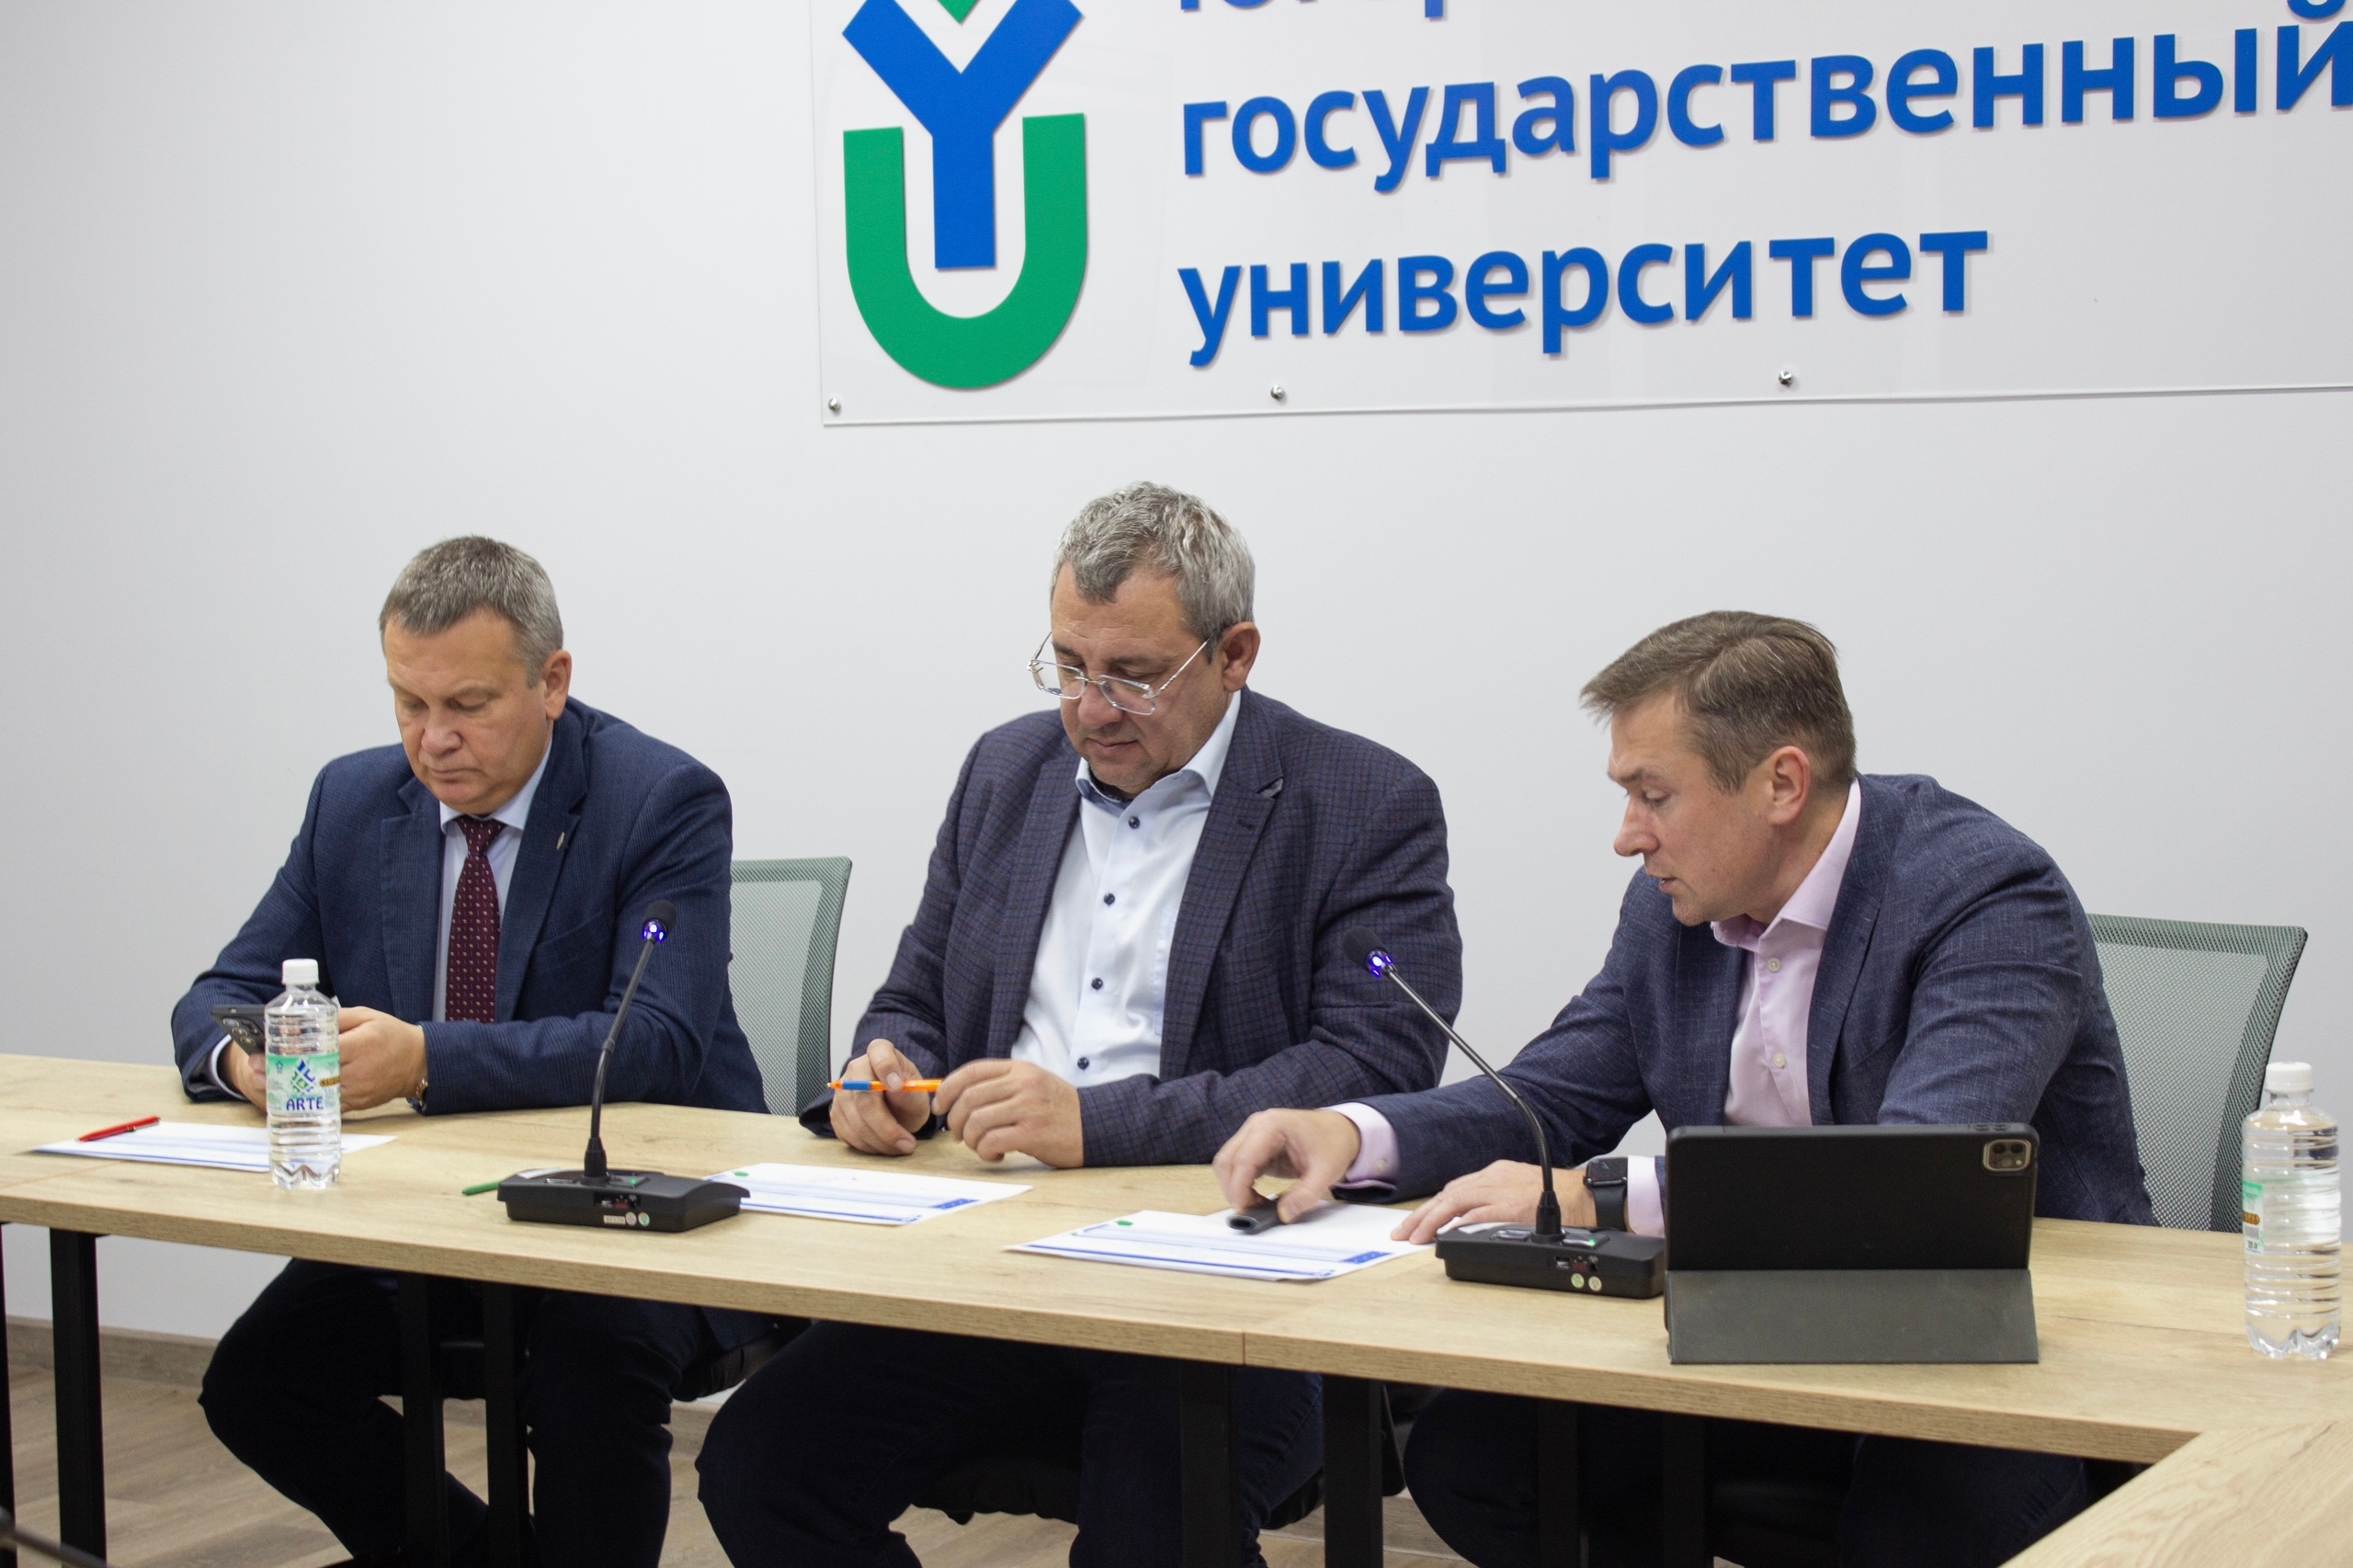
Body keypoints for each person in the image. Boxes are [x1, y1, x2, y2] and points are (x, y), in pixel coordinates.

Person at [1213, 611, 2153, 1568]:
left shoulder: (1985, 894)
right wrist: (1354, 1131)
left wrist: (1603, 1193)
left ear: (1781, 783)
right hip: (1756, 1331)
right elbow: (1550, 1095)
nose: (1628, 837)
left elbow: (1910, 1182)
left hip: (1993, 1352)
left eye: (1653, 795)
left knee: (1914, 1526)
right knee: (1477, 1456)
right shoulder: (1676, 904)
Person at [695, 482, 1463, 1568]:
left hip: (1220, 1289)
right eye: (1067, 665)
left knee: (1151, 1537)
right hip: (987, 1265)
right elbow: (916, 992)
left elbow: (1375, 1060)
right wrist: (881, 1068)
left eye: (1133, 676)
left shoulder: (1359, 798)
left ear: (1234, 654)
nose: (1091, 708)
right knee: (760, 1465)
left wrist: (1094, 1123)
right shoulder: (1005, 769)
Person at [176, 536, 771, 1568]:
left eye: (467, 704)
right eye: (408, 703)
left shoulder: (659, 797)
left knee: (589, 1371)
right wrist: (251, 1064)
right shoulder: (353, 802)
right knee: (258, 1381)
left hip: (638, 1213)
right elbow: (219, 995)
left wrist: (422, 1062)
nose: (433, 740)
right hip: (437, 1211)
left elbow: (656, 1041)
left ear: (552, 681)